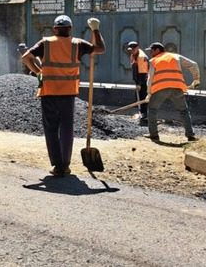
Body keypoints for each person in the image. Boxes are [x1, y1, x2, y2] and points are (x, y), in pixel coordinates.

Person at [21, 15, 106, 177]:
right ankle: (65, 165)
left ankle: (57, 165)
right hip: (68, 93)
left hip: (49, 92)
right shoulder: (77, 44)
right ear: (70, 29)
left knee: (51, 129)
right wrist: (95, 29)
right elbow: (100, 49)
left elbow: (26, 58)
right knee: (67, 129)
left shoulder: (45, 43)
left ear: (55, 29)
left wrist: (38, 71)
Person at [145, 42, 200, 142]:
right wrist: (196, 79)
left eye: (152, 50)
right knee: (184, 111)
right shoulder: (175, 56)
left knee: (152, 110)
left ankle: (154, 135)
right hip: (177, 88)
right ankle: (190, 135)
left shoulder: (153, 60)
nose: (150, 53)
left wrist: (149, 93)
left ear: (157, 50)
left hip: (160, 88)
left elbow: (150, 79)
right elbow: (193, 65)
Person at [126, 41, 150, 125]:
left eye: (133, 49)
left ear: (137, 48)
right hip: (138, 80)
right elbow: (134, 69)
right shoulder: (133, 55)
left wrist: (139, 84)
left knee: (143, 98)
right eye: (130, 49)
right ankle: (142, 114)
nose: (131, 51)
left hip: (144, 81)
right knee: (138, 97)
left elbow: (143, 73)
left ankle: (145, 115)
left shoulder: (141, 57)